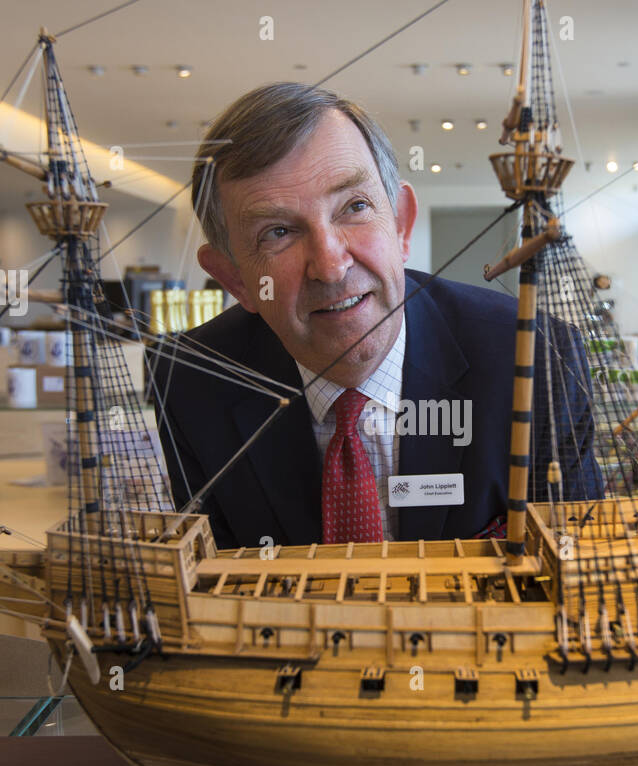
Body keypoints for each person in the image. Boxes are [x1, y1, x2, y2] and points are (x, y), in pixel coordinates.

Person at [152, 82, 601, 550]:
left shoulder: (536, 355)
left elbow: (572, 572)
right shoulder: (190, 379)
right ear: (235, 280)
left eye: (355, 207)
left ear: (402, 225)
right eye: (278, 232)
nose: (330, 265)